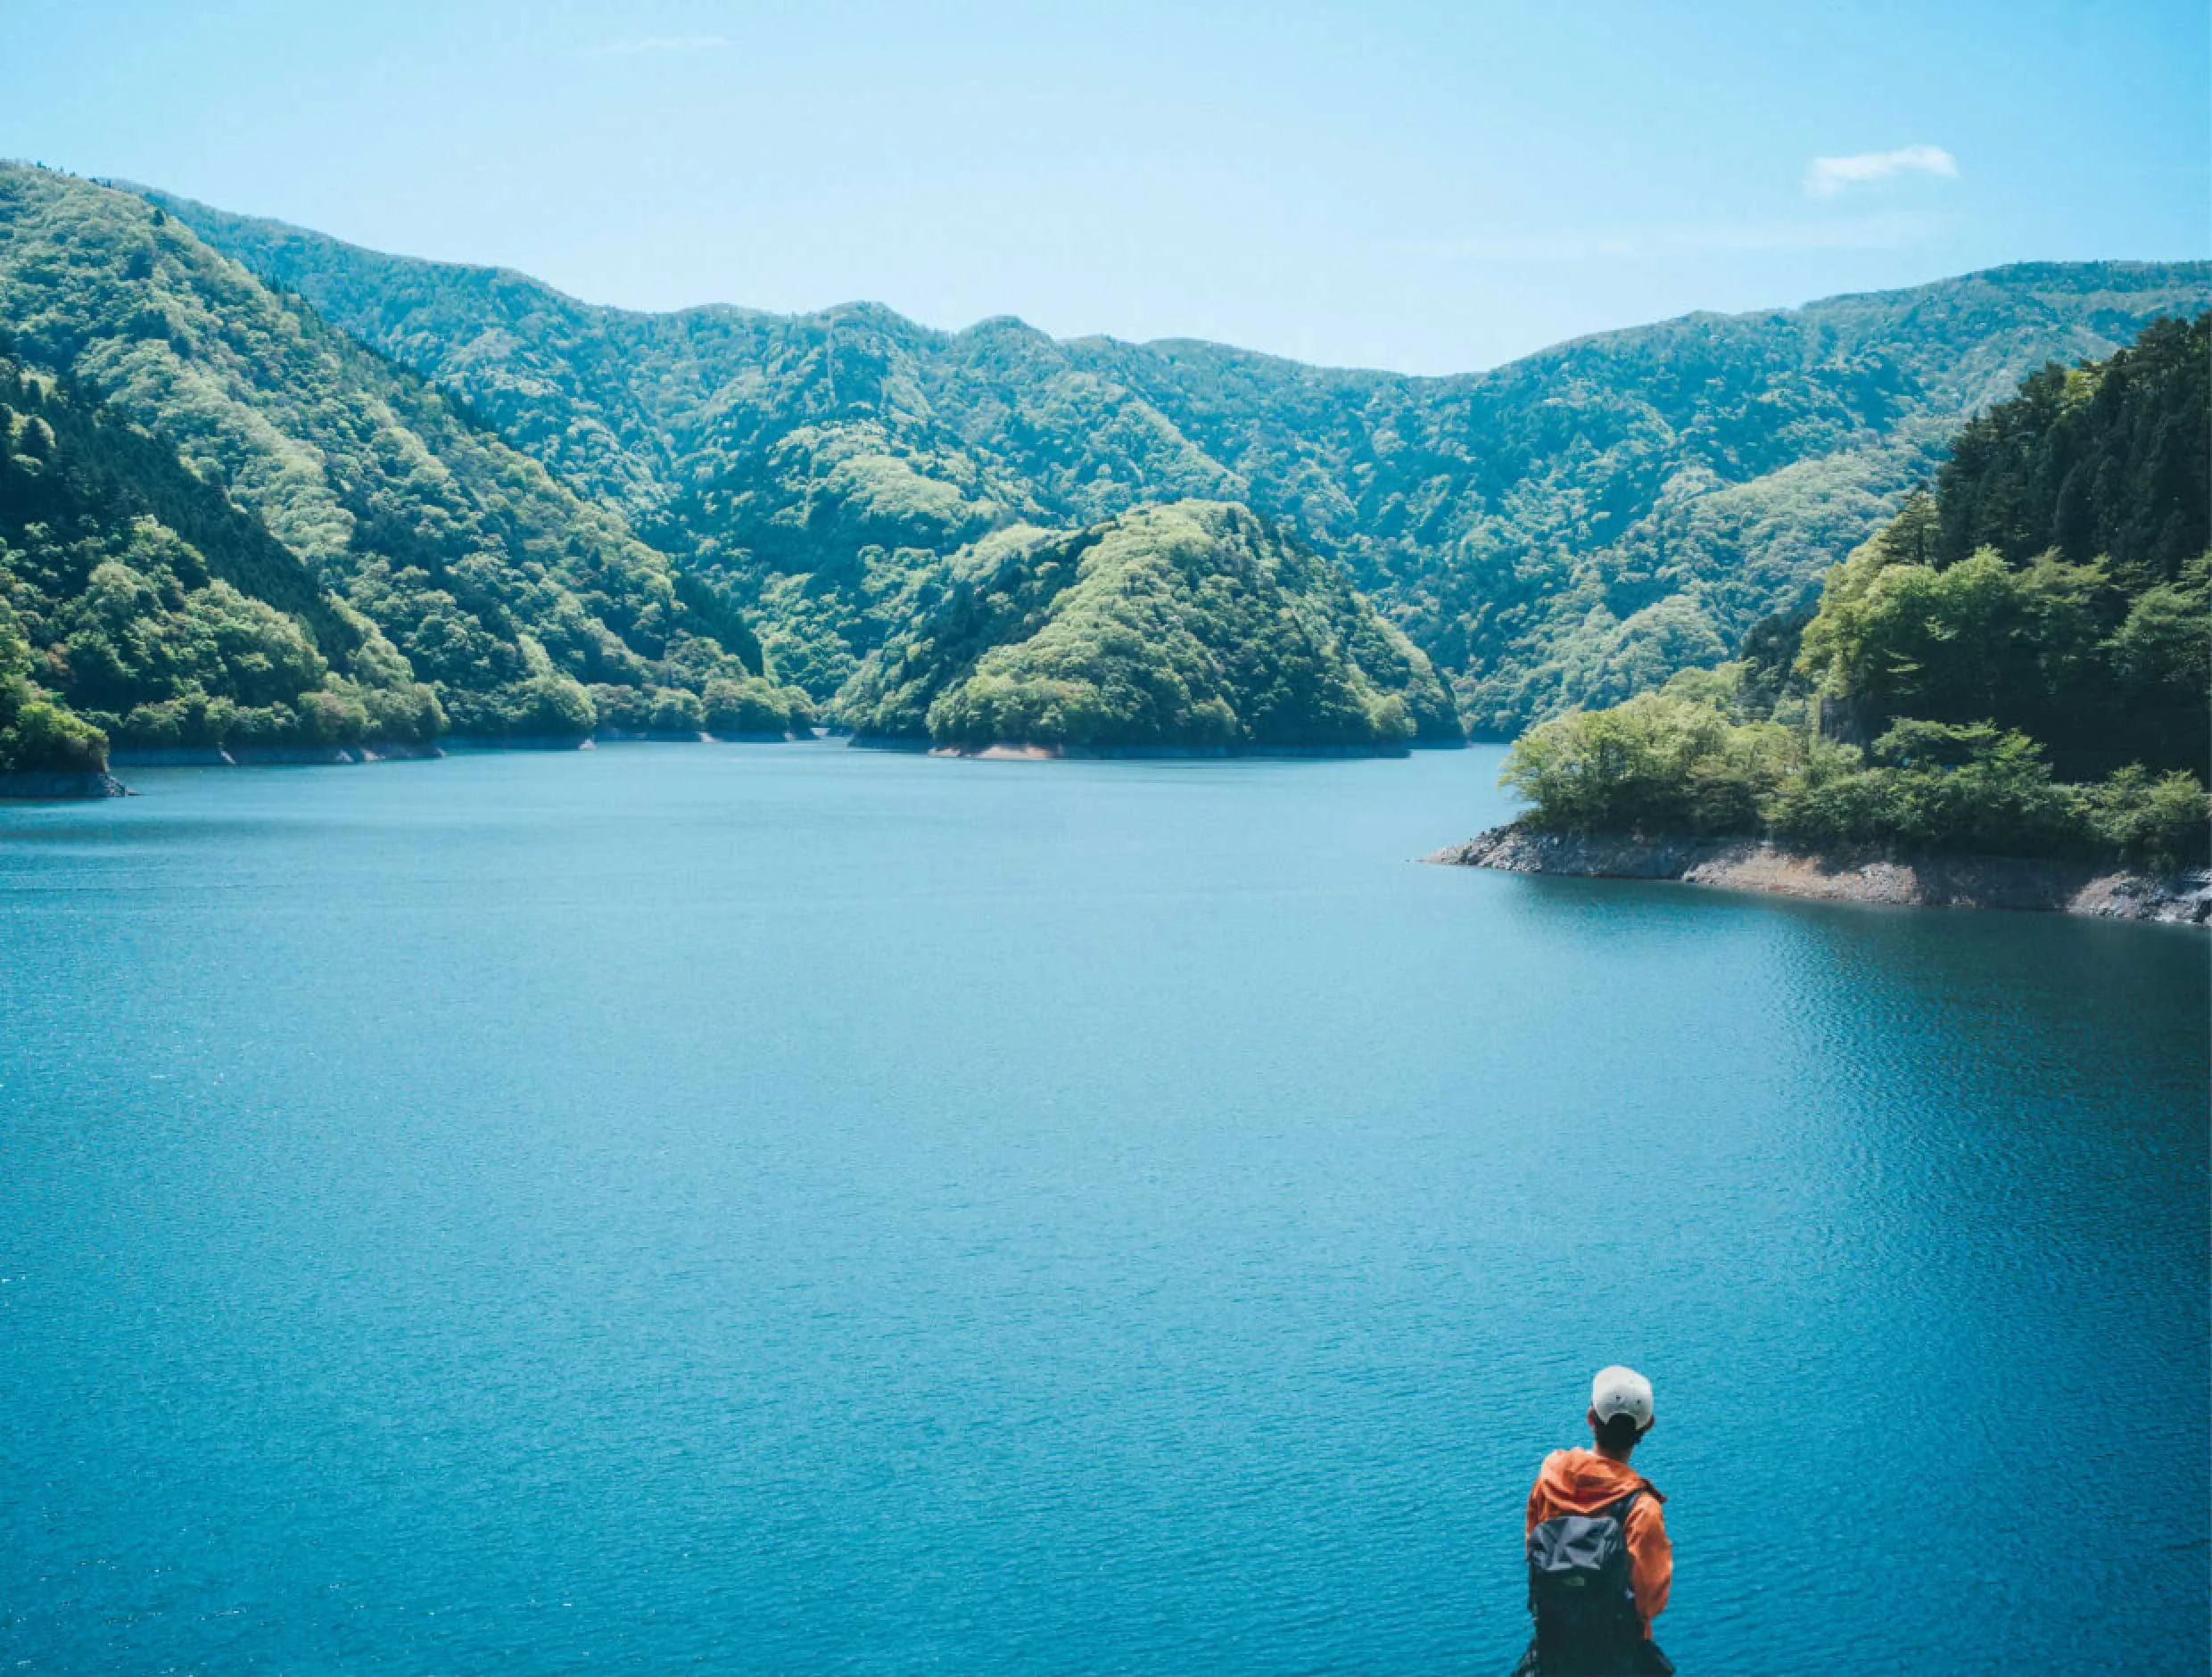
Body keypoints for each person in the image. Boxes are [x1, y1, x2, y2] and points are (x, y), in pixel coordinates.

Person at [1513, 1366, 1673, 1676]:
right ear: (1648, 1426)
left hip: (1555, 1654)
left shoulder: (1549, 1479)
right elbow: (1649, 1602)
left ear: (1590, 1418)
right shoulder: (1641, 1508)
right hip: (1618, 1660)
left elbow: (1531, 1554)